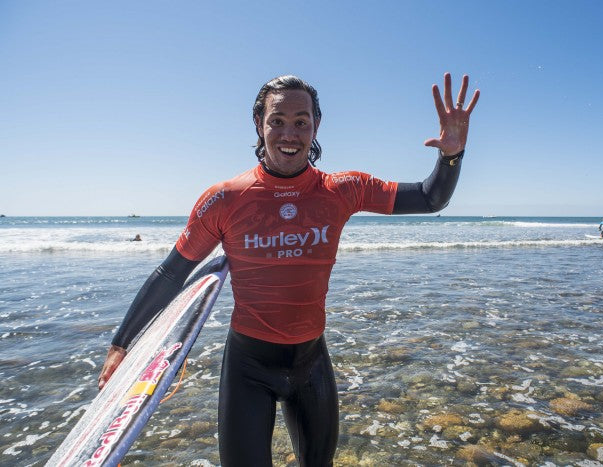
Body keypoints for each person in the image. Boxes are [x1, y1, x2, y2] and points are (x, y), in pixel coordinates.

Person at [97, 72, 480, 466]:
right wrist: (121, 344)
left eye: (301, 122)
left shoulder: (342, 189)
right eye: (277, 121)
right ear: (259, 125)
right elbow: (172, 273)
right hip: (248, 367)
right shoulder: (225, 200)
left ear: (316, 127)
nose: (289, 134)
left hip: (311, 362)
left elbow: (432, 198)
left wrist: (451, 155)